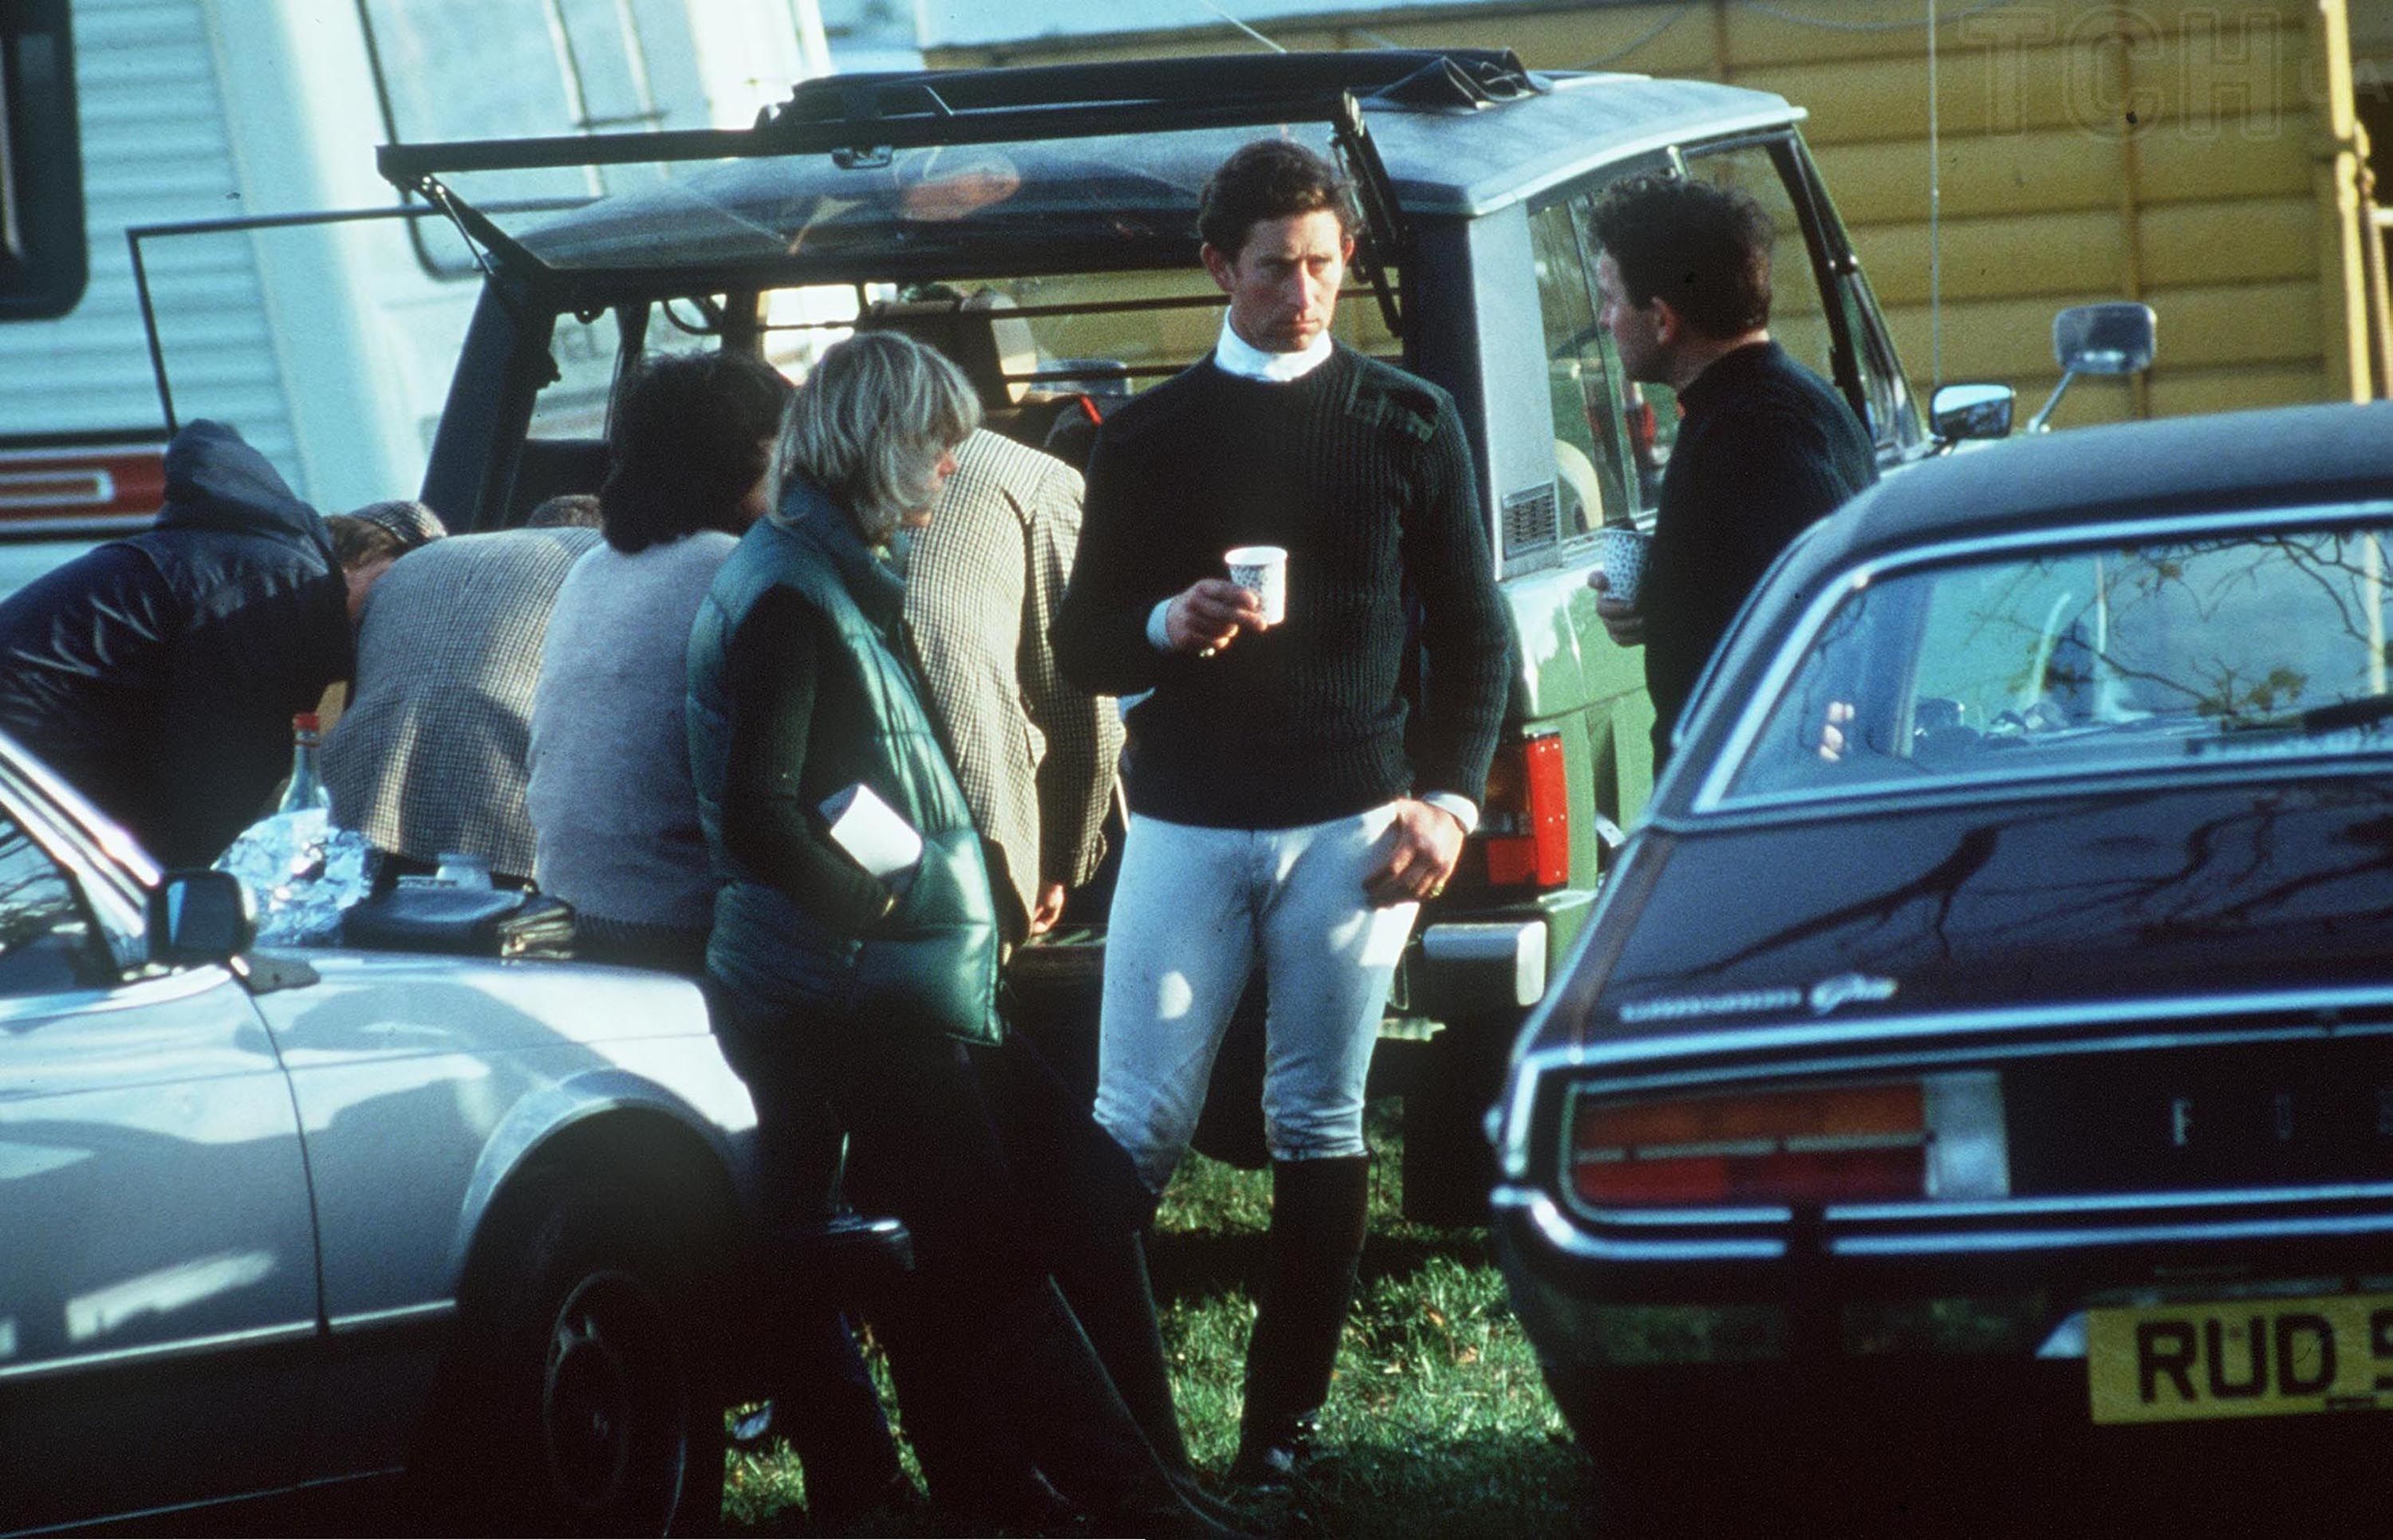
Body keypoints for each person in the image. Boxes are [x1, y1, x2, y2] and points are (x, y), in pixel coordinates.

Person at [686, 331, 1244, 1538]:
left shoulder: (816, 572)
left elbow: (824, 788)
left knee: (1038, 1209)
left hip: (891, 983)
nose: (954, 466)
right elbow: (760, 811)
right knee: (991, 1249)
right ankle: (1136, 1500)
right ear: (877, 446)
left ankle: (1075, 1486)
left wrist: (930, 892)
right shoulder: (792, 594)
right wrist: (882, 910)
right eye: (938, 445)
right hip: (856, 995)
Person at [1052, 139, 1511, 1487]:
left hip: (1349, 823)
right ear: (1218, 268)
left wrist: (1448, 802)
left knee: (1318, 1116)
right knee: (1135, 1121)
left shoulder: (1408, 419)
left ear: (1348, 258)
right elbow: (1082, 644)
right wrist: (1164, 620)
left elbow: (1474, 632)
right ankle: (1103, 1427)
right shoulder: (1146, 435)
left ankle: (1281, 1436)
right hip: (1189, 818)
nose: (1303, 294)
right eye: (1274, 270)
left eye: (1322, 265)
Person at [0, 419, 396, 867]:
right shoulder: (281, 586)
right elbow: (218, 777)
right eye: (386, 582)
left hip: (33, 744)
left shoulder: (240, 556)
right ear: (354, 559)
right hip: (27, 748)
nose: (384, 610)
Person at [1586, 171, 1879, 769]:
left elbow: (1838, 603)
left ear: (1662, 320)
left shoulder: (1759, 428)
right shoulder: (1771, 405)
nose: (1604, 319)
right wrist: (1662, 597)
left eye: (1611, 299)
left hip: (1767, 790)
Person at [528, 355, 791, 974]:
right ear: (757, 454)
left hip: (569, 908)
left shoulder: (592, 566)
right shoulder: (740, 570)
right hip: (680, 930)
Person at [902, 427, 1123, 951]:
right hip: (978, 833)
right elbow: (1079, 703)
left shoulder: (806, 479)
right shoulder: (1035, 479)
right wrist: (1063, 862)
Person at [321, 495, 601, 884]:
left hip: (357, 775)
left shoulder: (425, 558)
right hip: (502, 788)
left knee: (365, 907)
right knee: (492, 914)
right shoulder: (602, 563)